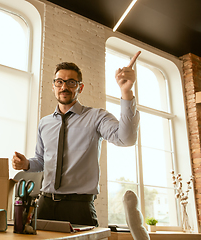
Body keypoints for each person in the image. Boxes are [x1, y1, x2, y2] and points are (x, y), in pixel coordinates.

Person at [12, 51, 141, 226]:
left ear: (79, 87)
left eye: (71, 82)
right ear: (54, 86)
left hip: (79, 208)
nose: (64, 87)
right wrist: (26, 164)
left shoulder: (97, 117)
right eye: (59, 82)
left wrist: (126, 92)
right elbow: (41, 161)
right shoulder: (45, 123)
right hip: (45, 205)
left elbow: (126, 139)